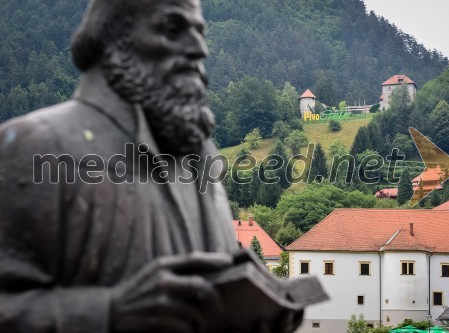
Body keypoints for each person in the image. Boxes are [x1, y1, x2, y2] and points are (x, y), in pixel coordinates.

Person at [0, 0, 302, 332]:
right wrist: (110, 312)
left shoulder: (201, 159)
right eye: (172, 30)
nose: (199, 49)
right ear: (113, 39)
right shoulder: (38, 145)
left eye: (200, 32)